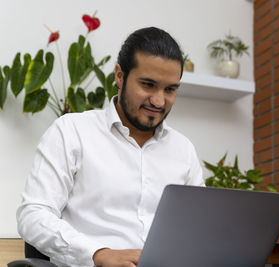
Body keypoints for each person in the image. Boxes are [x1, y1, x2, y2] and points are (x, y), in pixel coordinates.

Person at [17, 27, 204, 267]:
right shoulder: (71, 131)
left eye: (170, 89)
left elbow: (198, 229)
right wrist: (98, 254)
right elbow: (33, 215)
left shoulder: (184, 150)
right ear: (119, 75)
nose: (158, 101)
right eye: (148, 85)